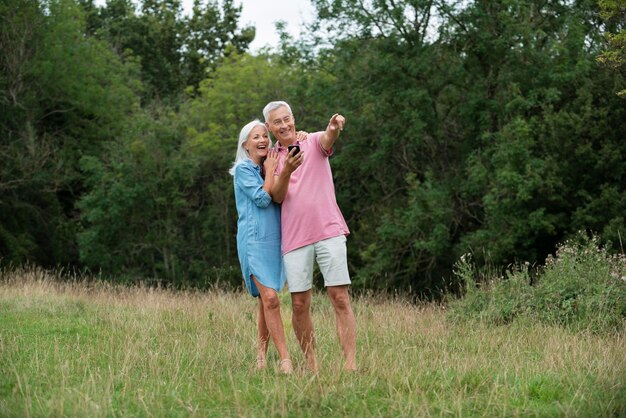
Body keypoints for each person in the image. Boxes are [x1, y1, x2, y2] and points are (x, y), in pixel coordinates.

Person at [263, 101, 357, 372]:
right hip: (294, 238)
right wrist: (288, 169)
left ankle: (350, 365)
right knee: (299, 303)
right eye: (277, 122)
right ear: (270, 128)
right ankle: (312, 365)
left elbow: (329, 137)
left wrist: (333, 127)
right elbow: (277, 196)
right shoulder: (272, 159)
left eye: (287, 119)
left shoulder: (313, 140)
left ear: (294, 118)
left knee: (339, 297)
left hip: (328, 230)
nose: (284, 125)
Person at [230, 120, 303, 374]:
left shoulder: (270, 165)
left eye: (264, 135)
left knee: (266, 300)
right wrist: (272, 171)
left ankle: (261, 356)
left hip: (275, 241)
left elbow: (294, 151)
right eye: (255, 137)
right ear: (245, 145)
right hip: (253, 242)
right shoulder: (243, 170)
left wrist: (300, 136)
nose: (262, 140)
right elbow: (262, 199)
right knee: (271, 299)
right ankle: (285, 360)